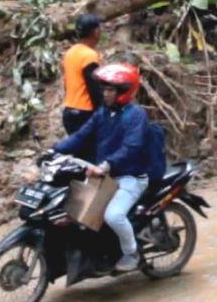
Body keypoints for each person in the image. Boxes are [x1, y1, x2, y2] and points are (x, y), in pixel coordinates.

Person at [53, 63, 150, 272]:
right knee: (74, 210)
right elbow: (81, 136)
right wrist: (55, 150)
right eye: (104, 89)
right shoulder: (103, 113)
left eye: (110, 90)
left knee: (113, 216)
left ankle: (131, 252)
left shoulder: (136, 115)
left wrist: (106, 165)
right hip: (105, 176)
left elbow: (131, 147)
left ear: (123, 92)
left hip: (130, 177)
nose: (104, 94)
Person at [61, 13, 104, 136]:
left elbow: (67, 83)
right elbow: (94, 88)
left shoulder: (70, 52)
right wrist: (101, 114)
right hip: (85, 113)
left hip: (69, 111)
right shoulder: (89, 55)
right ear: (95, 32)